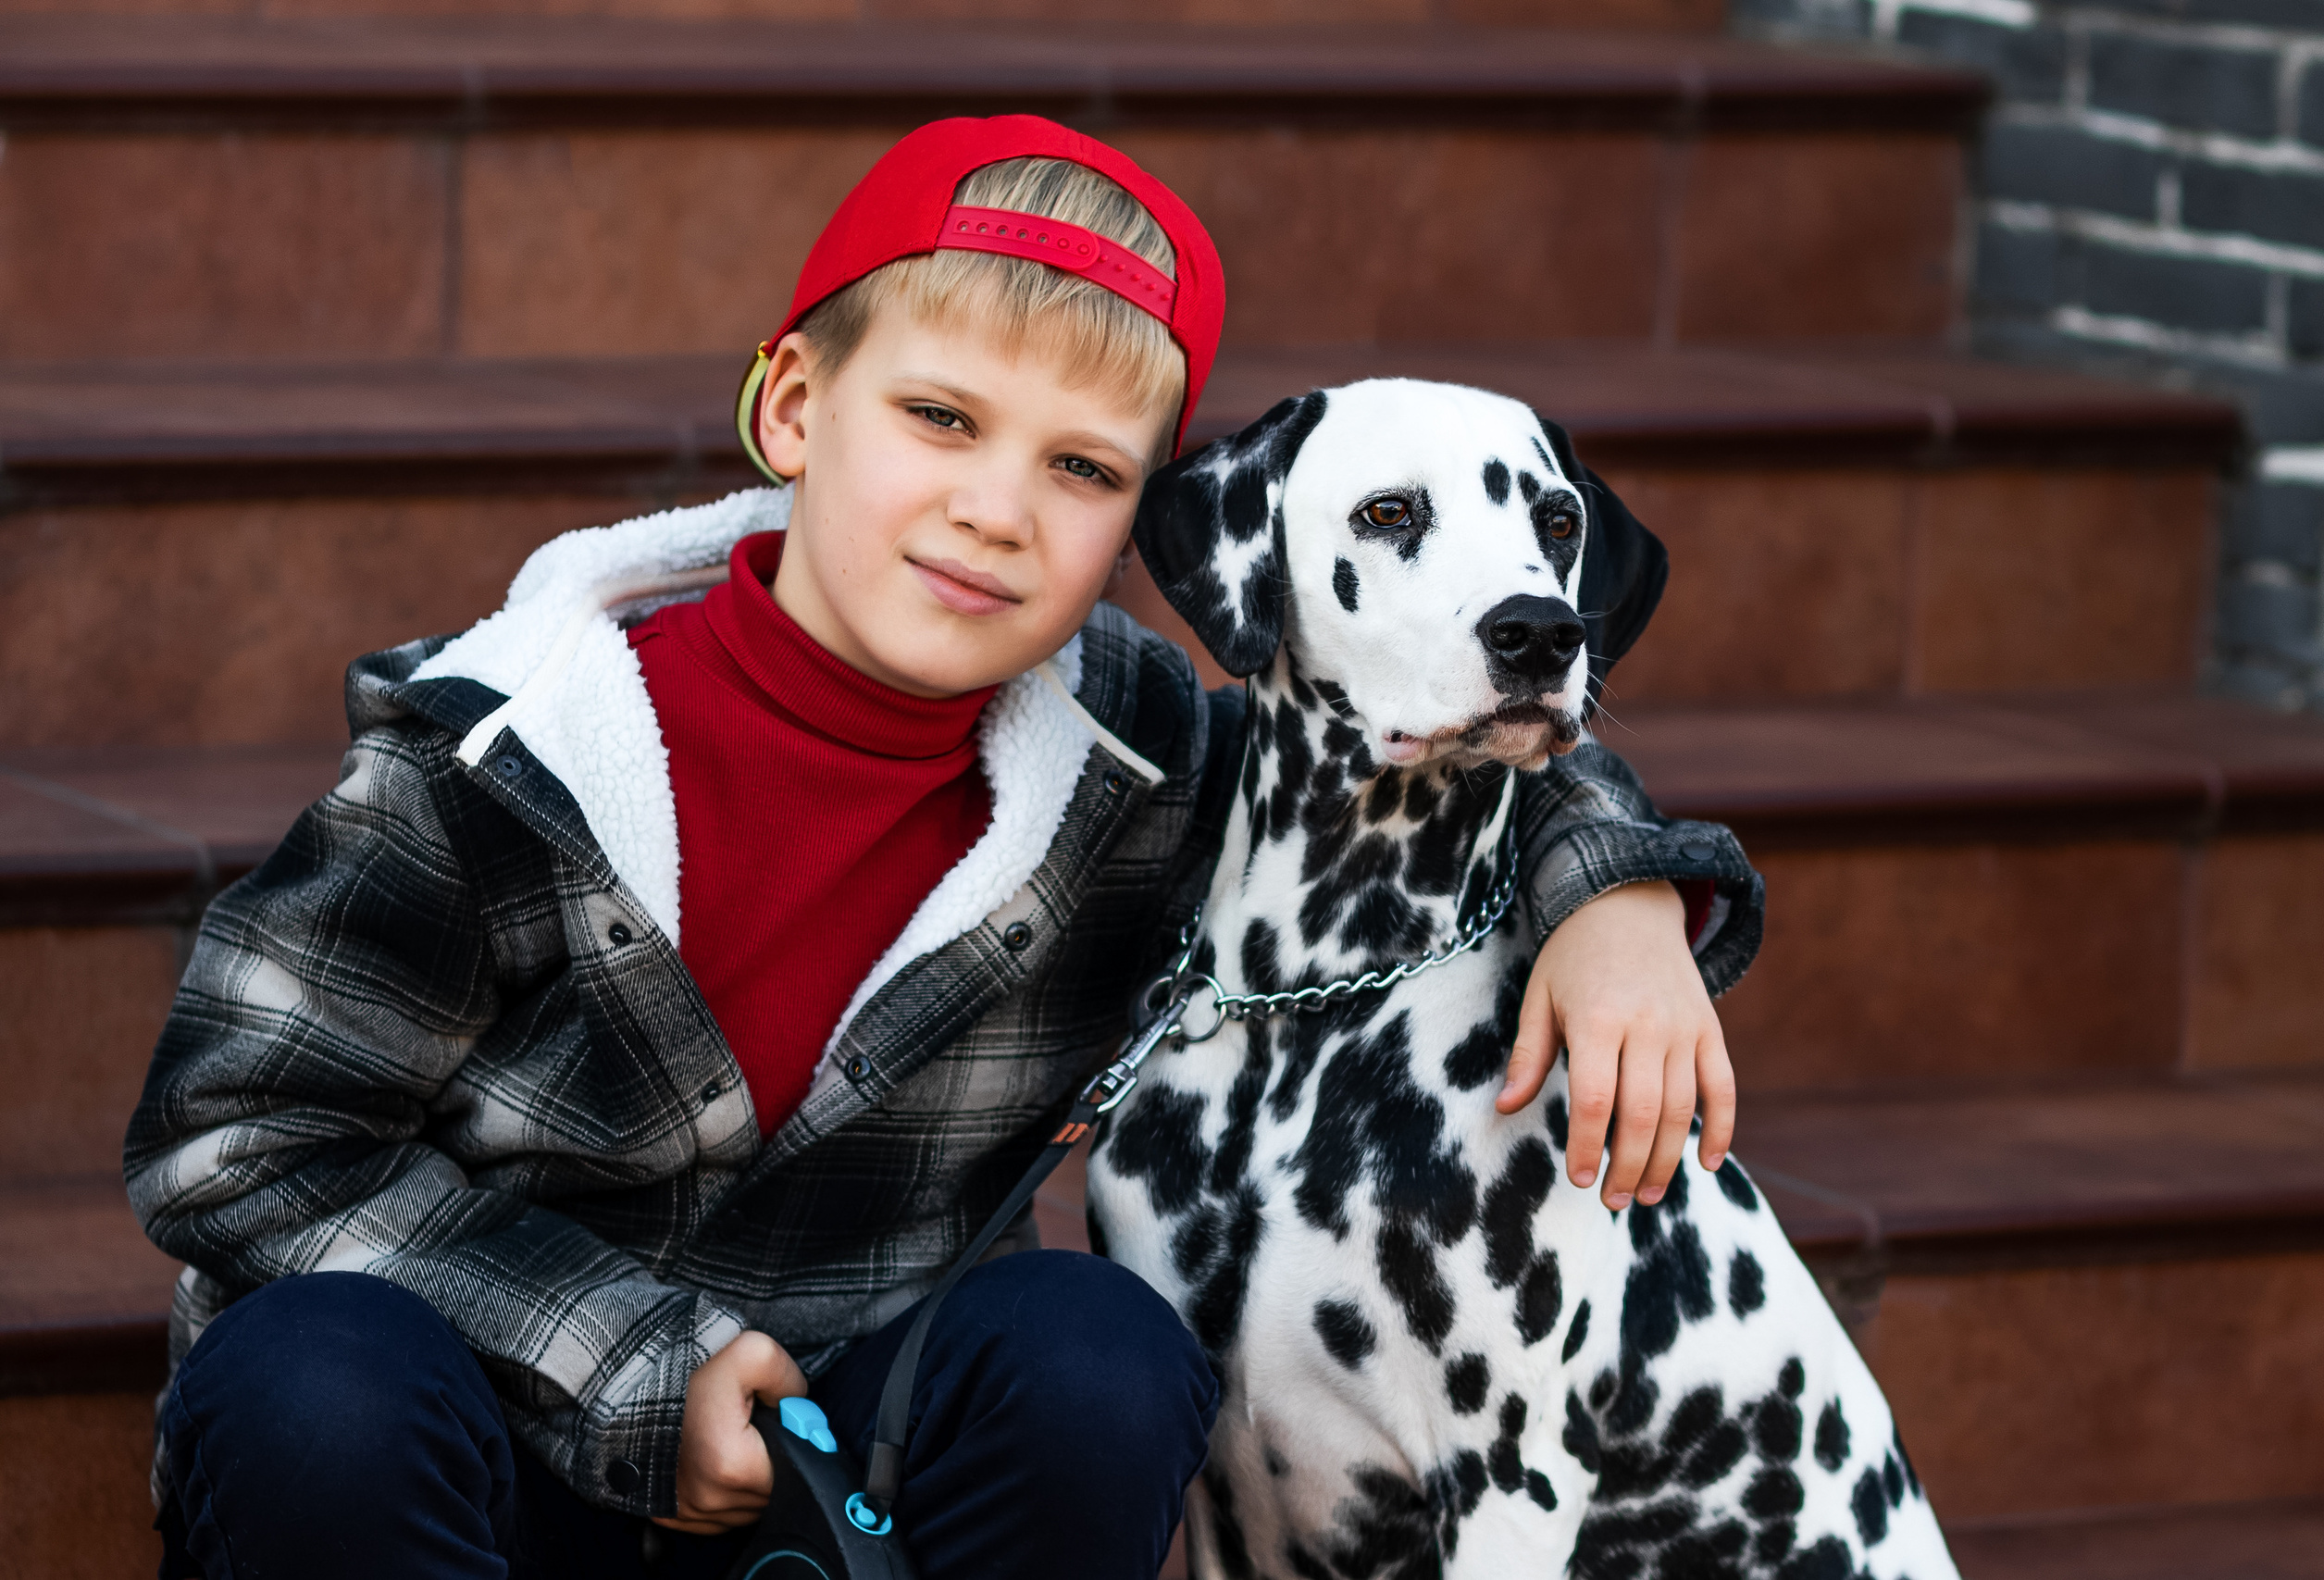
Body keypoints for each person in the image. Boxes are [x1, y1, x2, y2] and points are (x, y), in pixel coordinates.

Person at [124, 116, 1765, 1580]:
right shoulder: (499, 759)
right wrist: (638, 1365)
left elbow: (1402, 758)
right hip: (467, 1449)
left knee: (1090, 1353)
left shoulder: (1125, 763)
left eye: (1079, 468)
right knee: (312, 1375)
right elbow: (237, 1143)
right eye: (940, 416)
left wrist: (1615, 892)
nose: (998, 508)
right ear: (793, 405)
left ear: (1141, 530)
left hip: (842, 1481)